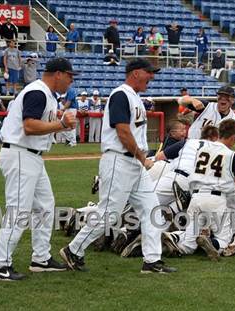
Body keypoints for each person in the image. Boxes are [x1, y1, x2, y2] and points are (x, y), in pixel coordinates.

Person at [59, 58, 177, 274]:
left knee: (152, 211)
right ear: (135, 73)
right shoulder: (121, 94)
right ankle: (73, 250)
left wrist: (140, 160)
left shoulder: (134, 97)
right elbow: (123, 131)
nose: (152, 76)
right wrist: (143, 158)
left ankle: (152, 261)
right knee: (109, 214)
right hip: (119, 161)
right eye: (148, 72)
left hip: (133, 163)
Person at [0, 57, 78, 281]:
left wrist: (59, 120)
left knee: (45, 205)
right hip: (20, 153)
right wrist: (62, 124)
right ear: (58, 74)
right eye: (69, 76)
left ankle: (41, 258)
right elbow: (29, 126)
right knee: (18, 210)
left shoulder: (46, 94)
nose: (71, 81)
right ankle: (0, 265)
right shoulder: (37, 91)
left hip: (32, 156)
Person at [175, 119, 235, 260]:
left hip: (196, 197)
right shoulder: (230, 154)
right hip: (216, 199)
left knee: (188, 245)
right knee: (223, 240)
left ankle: (170, 240)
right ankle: (211, 243)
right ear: (233, 137)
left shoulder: (201, 149)